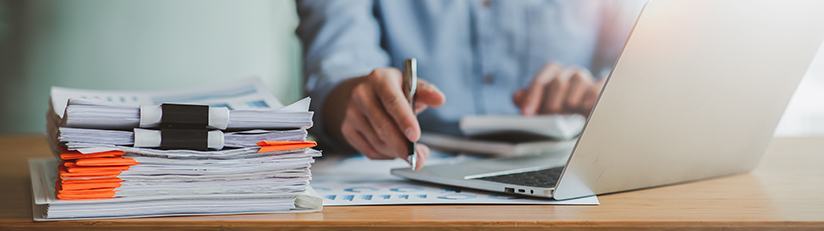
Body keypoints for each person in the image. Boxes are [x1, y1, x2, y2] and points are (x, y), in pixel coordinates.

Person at [296, 0, 644, 169]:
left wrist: (609, 93)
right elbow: (336, 66)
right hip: (401, 174)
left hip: (568, 168)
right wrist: (353, 99)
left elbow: (644, 63)